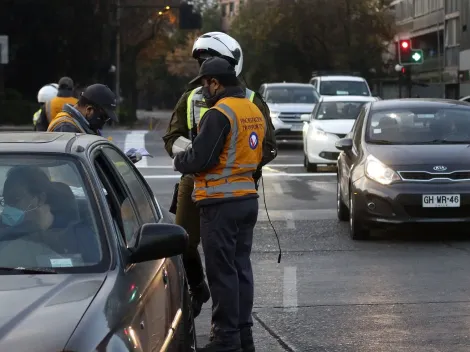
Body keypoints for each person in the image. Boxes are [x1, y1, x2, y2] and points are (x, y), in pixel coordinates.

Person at [162, 31, 277, 321]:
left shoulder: (253, 100)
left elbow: (269, 146)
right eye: (201, 61)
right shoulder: (190, 99)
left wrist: (231, 160)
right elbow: (171, 137)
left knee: (227, 264)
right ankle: (199, 289)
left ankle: (230, 330)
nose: (203, 70)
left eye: (210, 61)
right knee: (184, 242)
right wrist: (195, 154)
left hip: (232, 189)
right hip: (194, 180)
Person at [173, 57, 266, 352]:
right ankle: (243, 336)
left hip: (220, 203)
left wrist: (180, 159)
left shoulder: (219, 113)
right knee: (240, 269)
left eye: (204, 83)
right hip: (246, 199)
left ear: (215, 82)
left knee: (222, 271)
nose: (203, 90)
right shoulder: (253, 109)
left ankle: (226, 339)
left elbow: (201, 158)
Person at [47, 83, 118, 135]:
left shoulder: (83, 126)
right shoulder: (66, 128)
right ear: (89, 110)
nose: (104, 122)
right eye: (104, 117)